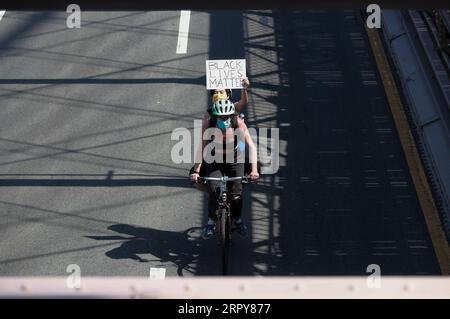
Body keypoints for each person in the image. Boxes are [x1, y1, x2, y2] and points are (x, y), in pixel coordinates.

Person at [190, 99, 259, 239]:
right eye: (220, 117)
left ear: (231, 115)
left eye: (226, 117)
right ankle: (210, 222)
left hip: (235, 159)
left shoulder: (238, 123)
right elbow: (201, 147)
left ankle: (238, 220)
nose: (223, 119)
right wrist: (197, 170)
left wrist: (254, 170)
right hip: (214, 159)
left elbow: (251, 146)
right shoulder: (208, 124)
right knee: (214, 191)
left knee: (236, 193)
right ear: (215, 116)